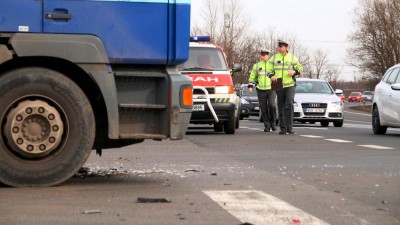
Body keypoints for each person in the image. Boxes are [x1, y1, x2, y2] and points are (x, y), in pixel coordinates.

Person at [266, 40, 303, 135]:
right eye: (278, 46)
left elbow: (300, 68)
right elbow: (268, 69)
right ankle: (283, 128)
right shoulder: (274, 57)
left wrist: (294, 72)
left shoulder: (292, 57)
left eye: (281, 46)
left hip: (290, 83)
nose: (279, 48)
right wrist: (271, 76)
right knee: (280, 105)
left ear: (286, 47)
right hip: (278, 83)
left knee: (289, 103)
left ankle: (290, 127)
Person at [248, 48, 277, 132]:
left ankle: (273, 123)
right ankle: (267, 126)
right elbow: (252, 77)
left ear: (268, 55)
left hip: (271, 89)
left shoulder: (273, 65)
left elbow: (278, 76)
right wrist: (250, 86)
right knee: (263, 109)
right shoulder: (256, 65)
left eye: (265, 55)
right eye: (262, 55)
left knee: (272, 106)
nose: (263, 57)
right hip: (261, 90)